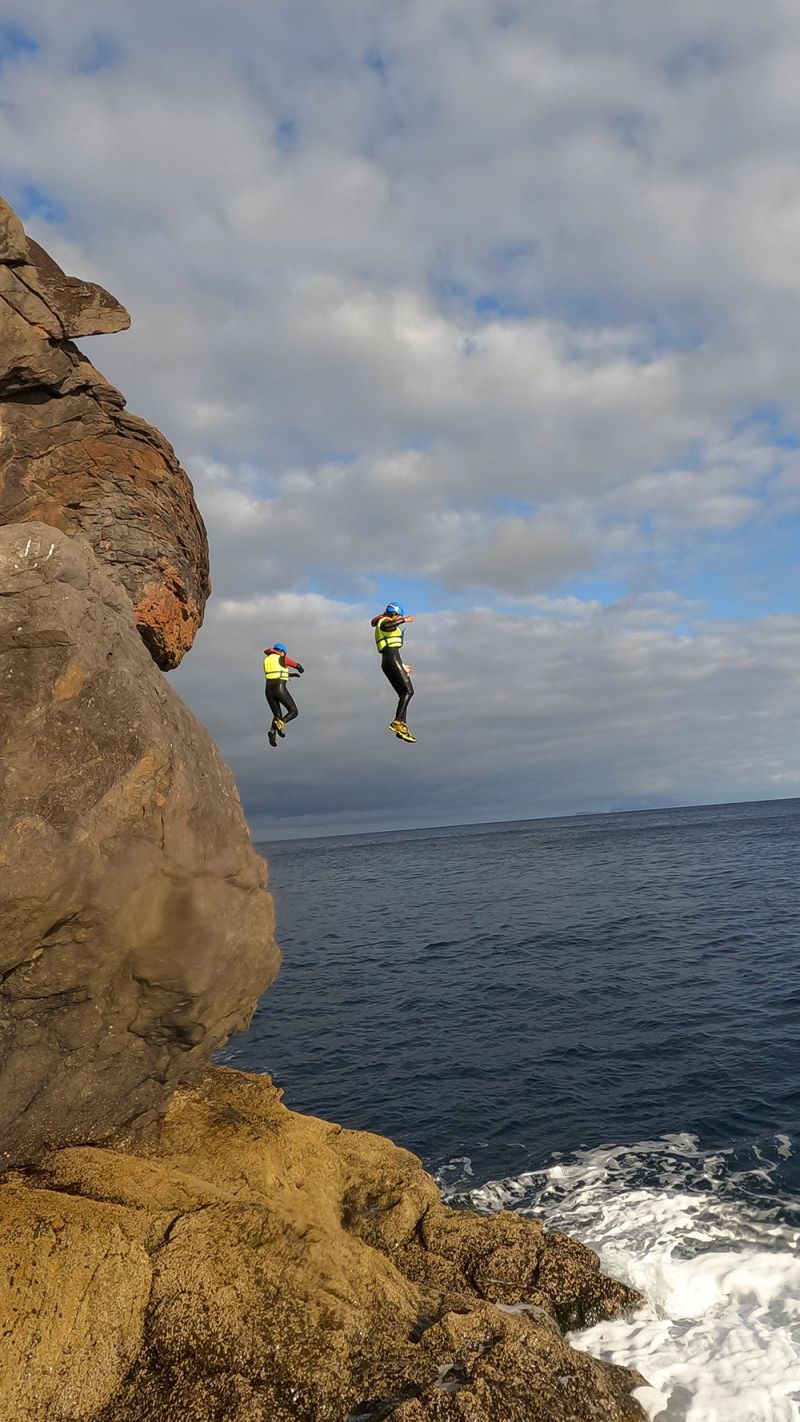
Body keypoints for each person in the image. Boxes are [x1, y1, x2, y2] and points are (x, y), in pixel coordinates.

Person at [371, 602, 416, 742]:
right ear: (393, 613)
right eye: (398, 616)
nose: (398, 618)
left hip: (390, 660)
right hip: (391, 659)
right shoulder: (385, 621)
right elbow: (387, 626)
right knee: (408, 691)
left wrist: (402, 665)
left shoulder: (384, 620)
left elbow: (390, 647)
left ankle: (402, 727)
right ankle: (397, 722)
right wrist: (404, 620)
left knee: (404, 693)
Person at [263, 643, 304, 748]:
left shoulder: (267, 660)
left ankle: (272, 732)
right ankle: (282, 723)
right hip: (279, 688)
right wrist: (300, 669)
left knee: (277, 715)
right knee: (294, 711)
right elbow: (297, 665)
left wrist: (291, 675)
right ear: (282, 652)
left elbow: (276, 672)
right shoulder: (282, 657)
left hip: (268, 690)